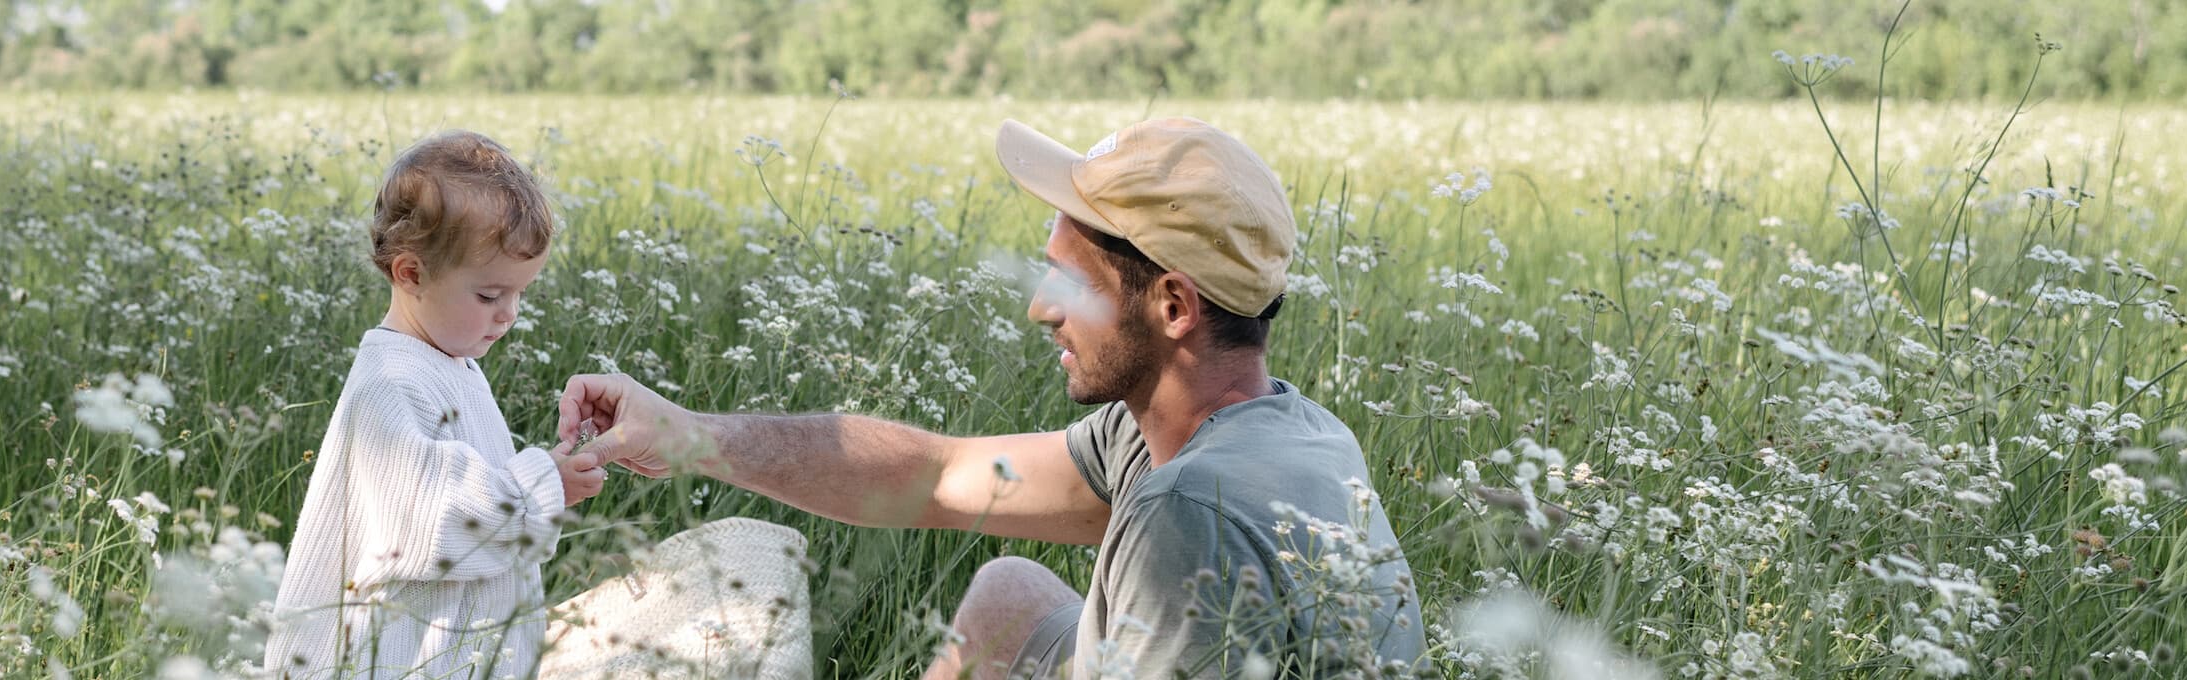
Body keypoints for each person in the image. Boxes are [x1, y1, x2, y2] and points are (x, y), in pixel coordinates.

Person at [559, 118, 1423, 678]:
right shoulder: (1277, 430)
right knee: (1011, 595)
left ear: (1172, 305)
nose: (1042, 307)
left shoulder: (1190, 511)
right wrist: (692, 434)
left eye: (1071, 283)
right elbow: (939, 476)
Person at [261, 130, 612, 678]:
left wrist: (557, 461)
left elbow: (468, 481)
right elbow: (433, 515)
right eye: (490, 295)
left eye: (520, 293)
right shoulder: (392, 381)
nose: (510, 313)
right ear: (411, 274)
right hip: (399, 657)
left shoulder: (448, 361)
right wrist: (542, 485)